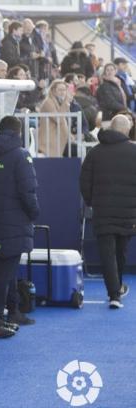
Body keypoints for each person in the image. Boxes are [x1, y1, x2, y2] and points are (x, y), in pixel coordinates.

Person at [0, 116, 39, 326]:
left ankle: (12, 311)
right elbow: (28, 190)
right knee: (4, 272)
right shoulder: (21, 155)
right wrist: (34, 213)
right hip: (16, 220)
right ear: (19, 132)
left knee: (8, 266)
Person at [80, 114, 136, 309]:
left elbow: (84, 182)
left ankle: (114, 294)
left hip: (102, 212)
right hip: (129, 214)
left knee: (107, 254)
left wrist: (92, 202)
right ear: (127, 130)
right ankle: (118, 288)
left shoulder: (95, 152)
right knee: (120, 252)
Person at [38, 79, 70, 156]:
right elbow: (58, 119)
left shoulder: (61, 102)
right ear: (53, 91)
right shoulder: (48, 102)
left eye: (64, 90)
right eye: (60, 90)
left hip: (58, 141)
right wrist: (65, 104)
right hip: (48, 142)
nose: (63, 92)